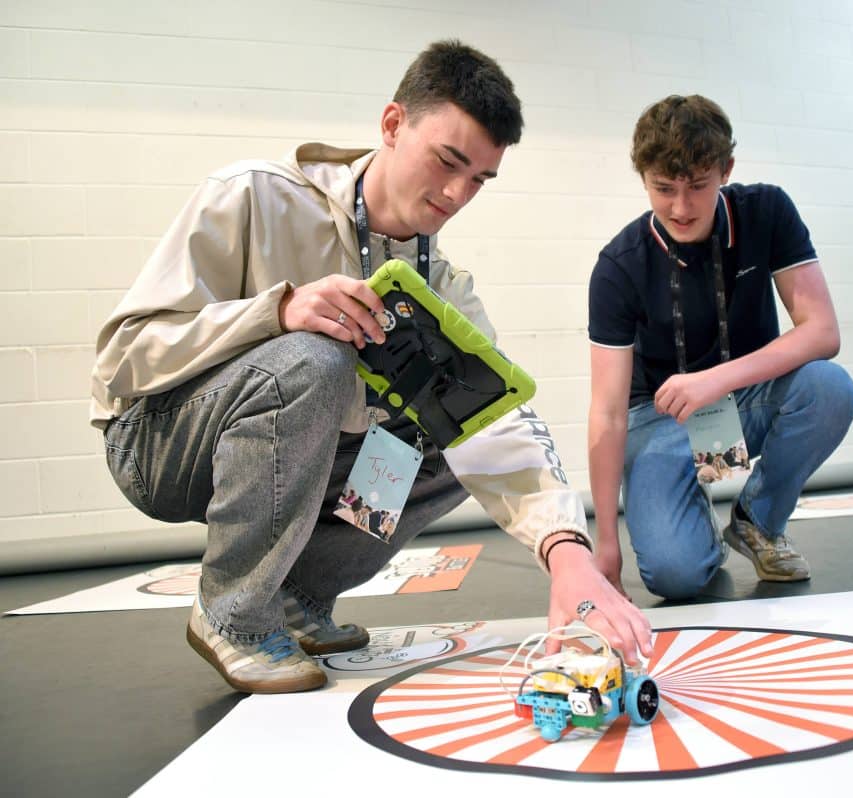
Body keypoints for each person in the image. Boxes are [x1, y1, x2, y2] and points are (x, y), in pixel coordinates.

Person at [91, 40, 651, 694]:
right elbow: (123, 356)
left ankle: (294, 597)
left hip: (293, 458)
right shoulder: (254, 196)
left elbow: (498, 425)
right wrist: (278, 311)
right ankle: (234, 613)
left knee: (442, 439)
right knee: (315, 355)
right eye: (448, 161)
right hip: (159, 444)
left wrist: (568, 555)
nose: (456, 193)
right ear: (392, 125)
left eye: (479, 179)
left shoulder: (438, 285)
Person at [587, 95, 853, 601]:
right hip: (662, 420)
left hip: (746, 399)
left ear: (726, 169)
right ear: (641, 176)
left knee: (830, 388)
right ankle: (696, 527)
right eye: (663, 188)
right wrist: (606, 544)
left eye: (698, 186)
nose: (681, 207)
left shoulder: (767, 211)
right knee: (676, 575)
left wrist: (718, 378)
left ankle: (758, 521)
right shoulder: (618, 266)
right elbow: (606, 414)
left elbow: (823, 332)